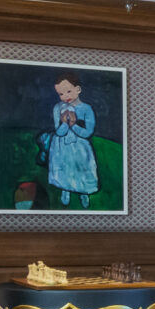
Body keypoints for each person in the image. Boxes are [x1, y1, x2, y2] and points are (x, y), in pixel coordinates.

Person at [46, 74, 99, 208]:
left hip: (80, 146)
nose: (65, 96)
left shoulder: (86, 109)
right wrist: (64, 123)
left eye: (68, 91)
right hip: (62, 146)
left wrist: (74, 125)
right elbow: (59, 132)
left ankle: (83, 192)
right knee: (65, 167)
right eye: (61, 94)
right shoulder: (58, 108)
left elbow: (88, 132)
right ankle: (66, 189)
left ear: (78, 89)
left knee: (81, 167)